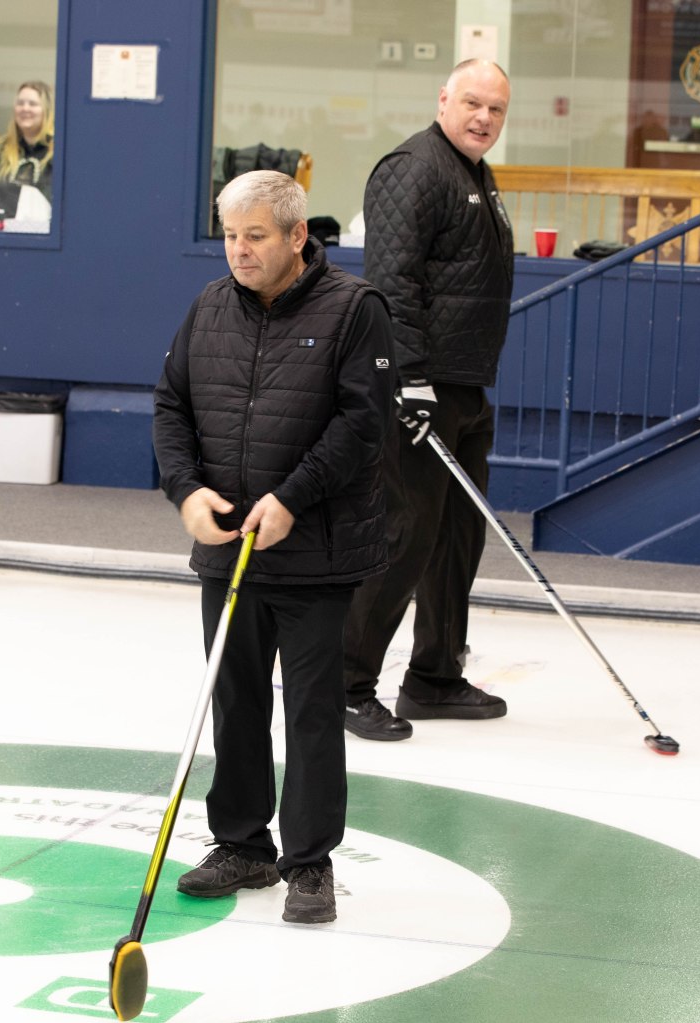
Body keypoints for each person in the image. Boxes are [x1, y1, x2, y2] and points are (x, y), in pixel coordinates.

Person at [152, 170, 395, 923]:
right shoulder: (209, 307)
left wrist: (293, 497)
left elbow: (363, 423)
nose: (239, 250)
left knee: (313, 712)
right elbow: (171, 405)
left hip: (316, 551)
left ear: (297, 236)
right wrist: (186, 490)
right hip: (230, 548)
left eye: (255, 235)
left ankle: (309, 862)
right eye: (230, 235)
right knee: (235, 701)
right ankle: (242, 844)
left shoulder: (355, 309)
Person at [342, 58, 515, 741]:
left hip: (465, 385)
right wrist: (407, 379)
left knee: (456, 538)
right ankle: (345, 684)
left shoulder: (473, 173)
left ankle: (434, 676)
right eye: (472, 102)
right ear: (443, 99)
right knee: (405, 533)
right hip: (420, 389)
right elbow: (391, 283)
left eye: (496, 109)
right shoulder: (414, 167)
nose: (484, 117)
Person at [0, 81, 54, 217]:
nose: (25, 108)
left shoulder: (58, 152)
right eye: (20, 103)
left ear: (46, 110)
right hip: (2, 226)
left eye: (33, 104)